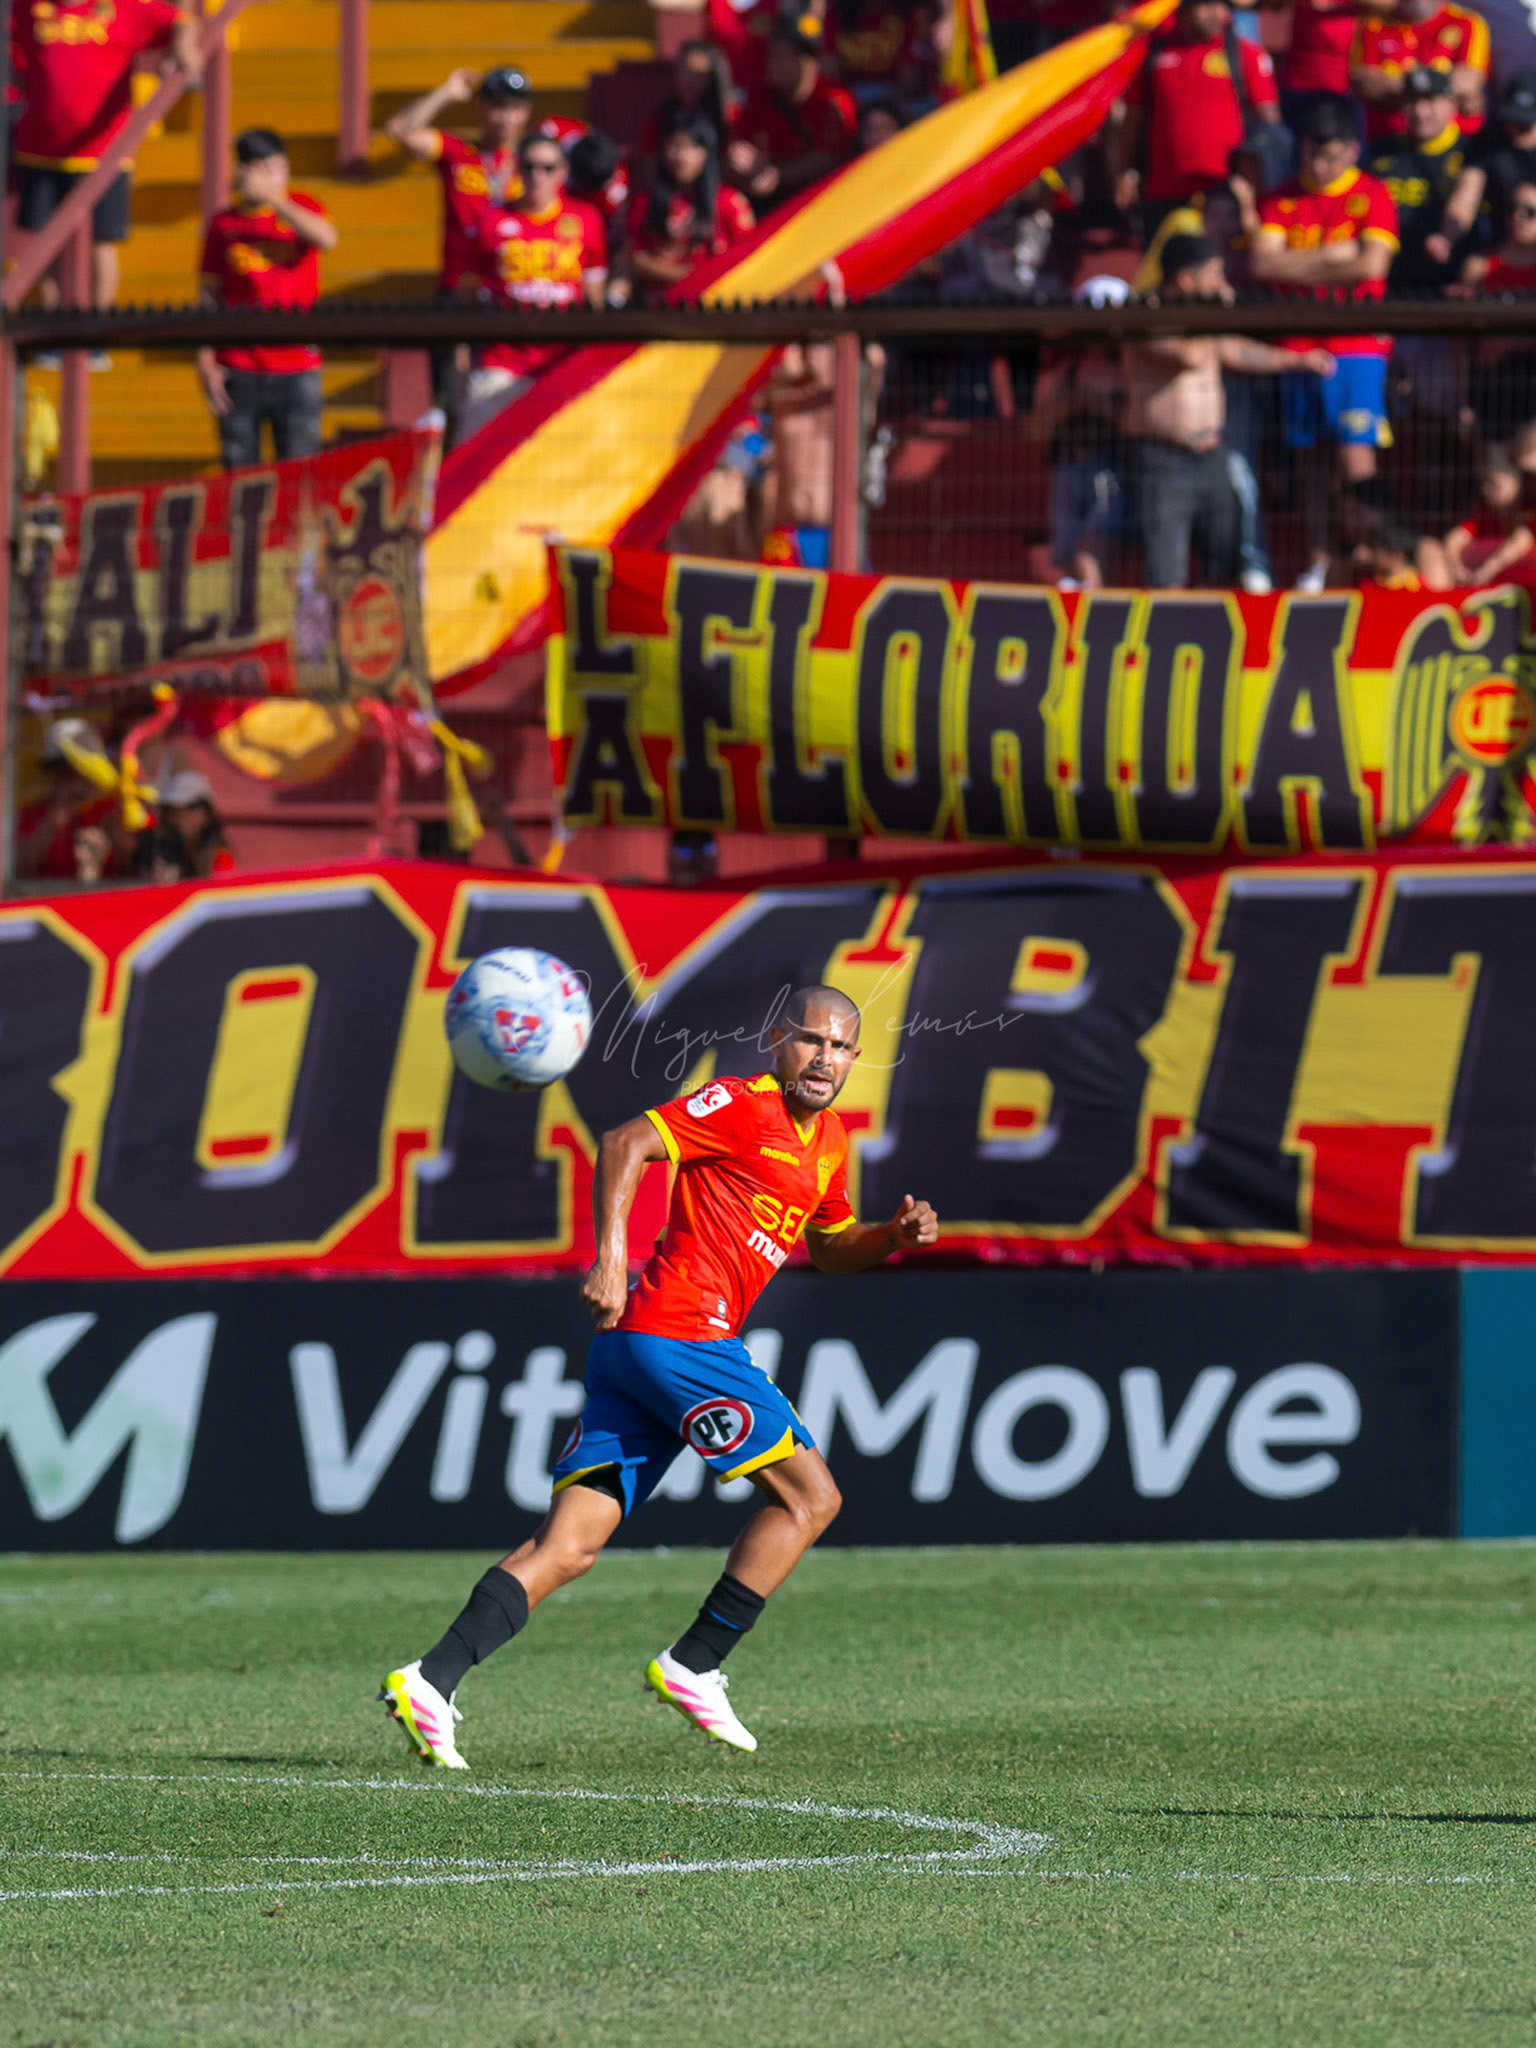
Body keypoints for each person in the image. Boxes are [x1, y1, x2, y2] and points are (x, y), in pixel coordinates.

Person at [379, 986, 940, 1765]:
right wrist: (611, 1257)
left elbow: (831, 1247)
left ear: (856, 1058)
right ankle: (696, 1662)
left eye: (841, 1047)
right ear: (777, 1040)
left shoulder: (832, 1141)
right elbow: (623, 1142)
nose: (826, 1059)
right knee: (811, 1498)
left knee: (570, 1546)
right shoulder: (741, 1103)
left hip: (635, 1350)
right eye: (812, 1040)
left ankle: (430, 1680)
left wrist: (891, 1238)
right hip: (682, 1336)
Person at [1125, 233, 1333, 587]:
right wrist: (1217, 315)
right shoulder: (1146, 313)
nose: (1223, 284)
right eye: (1215, 274)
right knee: (1166, 573)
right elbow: (1190, 355)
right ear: (1186, 279)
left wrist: (1296, 361)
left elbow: (1234, 351)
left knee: (1225, 563)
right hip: (1164, 461)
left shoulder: (1204, 322)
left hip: (1212, 454)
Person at [1251, 94, 1399, 589]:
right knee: (1310, 460)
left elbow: (1372, 264)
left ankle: (1373, 554)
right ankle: (1319, 562)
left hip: (1356, 346)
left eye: (1331, 156)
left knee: (1356, 457)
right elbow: (1262, 263)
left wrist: (1295, 266)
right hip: (1296, 348)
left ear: (1352, 151)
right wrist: (1339, 256)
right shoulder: (1280, 198)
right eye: (1312, 153)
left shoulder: (1372, 194)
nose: (1319, 165)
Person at [10, 0, 201, 317]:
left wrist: (182, 47)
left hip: (104, 153)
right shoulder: (27, 7)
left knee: (102, 241)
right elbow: (13, 49)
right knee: (43, 245)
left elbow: (181, 20)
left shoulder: (123, 7)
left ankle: (97, 326)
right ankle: (49, 325)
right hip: (39, 151)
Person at [197, 129, 337, 469]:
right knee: (240, 472)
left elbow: (326, 238)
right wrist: (205, 360)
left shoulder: (302, 208)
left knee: (300, 469)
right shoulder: (223, 223)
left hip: (297, 364)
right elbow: (208, 295)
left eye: (276, 168)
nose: (270, 177)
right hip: (240, 364)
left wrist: (273, 199)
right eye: (260, 169)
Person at [460, 133, 608, 441]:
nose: (538, 176)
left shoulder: (586, 219)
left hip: (562, 363)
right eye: (529, 167)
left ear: (563, 172)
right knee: (481, 454)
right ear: (517, 170)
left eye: (548, 168)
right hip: (501, 362)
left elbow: (594, 300)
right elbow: (467, 299)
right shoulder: (492, 220)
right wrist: (463, 365)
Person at [1113, 0, 1281, 222]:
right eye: (1208, 5)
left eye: (1222, 6)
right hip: (1163, 190)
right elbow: (1132, 120)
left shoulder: (1245, 54)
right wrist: (1125, 172)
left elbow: (1270, 124)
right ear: (1184, 9)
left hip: (1225, 193)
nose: (1218, 13)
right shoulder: (1153, 54)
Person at [386, 67, 534, 298]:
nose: (506, 117)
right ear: (482, 106)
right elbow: (400, 131)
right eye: (498, 106)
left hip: (513, 288)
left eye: (515, 108)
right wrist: (446, 93)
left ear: (527, 111)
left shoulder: (536, 164)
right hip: (459, 286)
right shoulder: (458, 153)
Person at [729, 21, 858, 215]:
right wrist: (741, 161)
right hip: (769, 198)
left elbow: (830, 158)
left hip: (825, 198)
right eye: (771, 56)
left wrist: (778, 174)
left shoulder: (833, 99)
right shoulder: (759, 98)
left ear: (809, 62)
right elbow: (739, 146)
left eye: (783, 56)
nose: (773, 63)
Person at [628, 112, 756, 297]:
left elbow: (750, 254)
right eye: (674, 145)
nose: (682, 157)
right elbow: (636, 258)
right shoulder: (645, 202)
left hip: (719, 299)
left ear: (707, 152)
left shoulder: (729, 201)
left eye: (692, 147)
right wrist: (689, 277)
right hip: (661, 303)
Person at [1369, 67, 1468, 288]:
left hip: (1451, 281)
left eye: (1430, 100)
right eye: (1412, 101)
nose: (1419, 111)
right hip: (1390, 280)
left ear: (1452, 104)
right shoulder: (1380, 152)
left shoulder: (1472, 153)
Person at [1428, 67, 1536, 259]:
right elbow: (1466, 197)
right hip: (1501, 250)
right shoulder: (1489, 141)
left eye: (1525, 123)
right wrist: (1446, 238)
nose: (1515, 128)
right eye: (1512, 119)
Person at [1351, 0, 1489, 144]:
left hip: (1457, 141)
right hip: (1389, 141)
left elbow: (1468, 84)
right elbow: (1363, 84)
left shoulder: (1467, 22)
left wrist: (1396, 85)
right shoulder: (1374, 24)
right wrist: (1439, 87)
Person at [1462, 181, 1536, 442]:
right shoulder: (1479, 266)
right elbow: (1461, 340)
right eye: (1513, 209)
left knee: (1528, 458)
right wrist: (1462, 400)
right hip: (1490, 384)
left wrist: (1509, 343)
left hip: (1531, 381)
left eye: (1530, 211)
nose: (1519, 217)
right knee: (1494, 465)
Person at [1439, 442, 1533, 580]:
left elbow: (1522, 540)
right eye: (1484, 482)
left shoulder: (1527, 510)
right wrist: (1456, 567)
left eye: (1494, 484)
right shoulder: (1483, 513)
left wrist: (1487, 570)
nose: (1485, 490)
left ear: (1516, 483)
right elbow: (1454, 538)